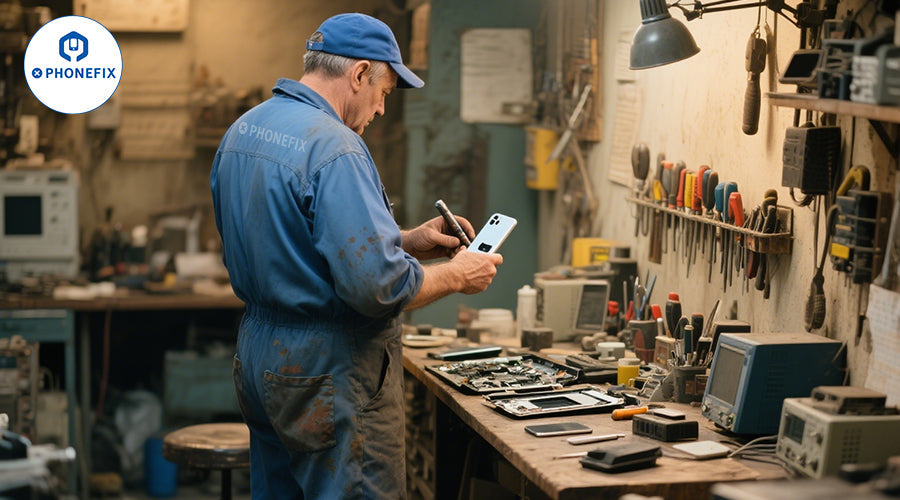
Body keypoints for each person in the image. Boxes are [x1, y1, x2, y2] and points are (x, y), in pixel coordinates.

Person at [210, 12, 504, 499]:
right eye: (384, 92)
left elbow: (294, 238)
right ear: (360, 73)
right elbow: (377, 288)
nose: (382, 109)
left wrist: (403, 241)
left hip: (260, 360)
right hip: (327, 369)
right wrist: (456, 274)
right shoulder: (336, 147)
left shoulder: (245, 130)